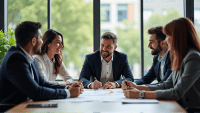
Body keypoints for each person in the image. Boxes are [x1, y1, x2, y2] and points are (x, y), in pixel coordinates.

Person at [0, 21, 83, 109]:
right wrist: (69, 93)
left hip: (26, 106)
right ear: (33, 41)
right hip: (12, 109)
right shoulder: (16, 58)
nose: (43, 42)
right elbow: (35, 92)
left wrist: (68, 87)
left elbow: (43, 83)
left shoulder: (29, 58)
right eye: (41, 38)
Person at [122, 17, 200, 110]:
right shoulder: (180, 56)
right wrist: (136, 86)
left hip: (189, 109)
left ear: (177, 36)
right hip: (177, 107)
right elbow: (166, 85)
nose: (166, 40)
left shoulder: (193, 57)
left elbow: (177, 92)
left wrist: (140, 94)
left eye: (167, 36)